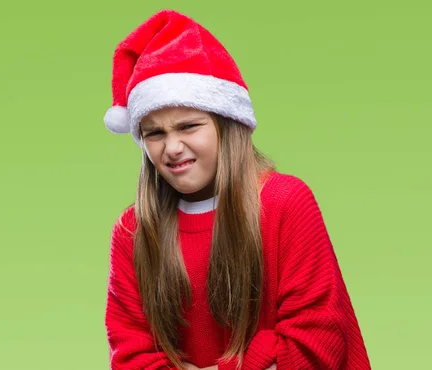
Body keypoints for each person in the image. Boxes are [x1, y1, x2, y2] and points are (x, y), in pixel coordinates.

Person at [102, 9, 371, 370]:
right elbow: (132, 358)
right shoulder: (133, 232)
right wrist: (262, 358)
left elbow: (315, 345)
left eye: (189, 126)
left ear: (228, 126)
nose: (172, 147)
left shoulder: (285, 203)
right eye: (155, 133)